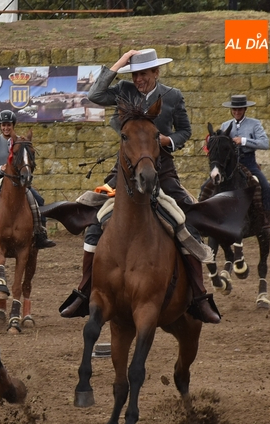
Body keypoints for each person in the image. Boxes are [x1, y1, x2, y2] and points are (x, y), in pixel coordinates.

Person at [59, 48, 220, 324]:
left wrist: (167, 141)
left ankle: (199, 295)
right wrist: (121, 61)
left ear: (156, 73)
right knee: (95, 222)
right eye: (134, 74)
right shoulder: (124, 90)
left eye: (143, 74)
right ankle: (85, 290)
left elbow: (185, 131)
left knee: (187, 220)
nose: (138, 79)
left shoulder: (173, 96)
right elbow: (95, 94)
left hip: (163, 170)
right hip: (124, 171)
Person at [0, 109, 55, 255]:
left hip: (18, 181)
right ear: (0, 126)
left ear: (13, 125)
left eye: (8, 125)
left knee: (39, 200)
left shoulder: (22, 141)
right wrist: (0, 168)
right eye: (3, 125)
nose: (6, 128)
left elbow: (26, 161)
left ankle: (41, 235)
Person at [220, 94, 270, 239]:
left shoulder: (254, 124)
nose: (237, 112)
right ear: (231, 110)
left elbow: (265, 143)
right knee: (208, 186)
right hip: (230, 165)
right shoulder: (225, 125)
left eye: (240, 109)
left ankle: (267, 224)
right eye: (235, 109)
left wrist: (244, 140)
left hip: (249, 162)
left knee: (265, 187)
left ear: (245, 109)